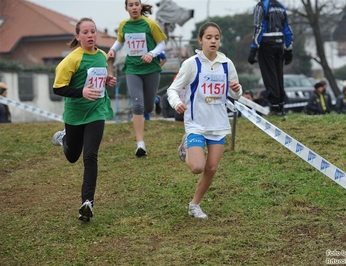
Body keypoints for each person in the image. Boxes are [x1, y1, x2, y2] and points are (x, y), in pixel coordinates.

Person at [167, 22, 242, 219]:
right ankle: (186, 146)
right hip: (196, 124)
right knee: (197, 167)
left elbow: (236, 95)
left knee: (211, 168)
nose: (213, 41)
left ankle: (195, 205)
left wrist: (236, 89)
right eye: (209, 37)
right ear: (200, 40)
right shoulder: (192, 64)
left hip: (218, 125)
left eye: (216, 37)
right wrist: (177, 103)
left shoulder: (227, 64)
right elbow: (172, 89)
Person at [51, 17, 116, 222]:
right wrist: (82, 92)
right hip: (75, 114)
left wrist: (107, 80)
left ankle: (87, 203)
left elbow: (97, 78)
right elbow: (58, 88)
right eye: (85, 32)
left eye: (93, 31)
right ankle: (64, 139)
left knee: (90, 156)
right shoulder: (71, 60)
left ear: (96, 34)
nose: (90, 35)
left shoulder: (102, 56)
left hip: (96, 111)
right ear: (78, 36)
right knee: (72, 156)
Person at [107, 0, 167, 157]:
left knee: (148, 107)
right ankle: (140, 144)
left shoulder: (150, 24)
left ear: (140, 6)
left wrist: (151, 54)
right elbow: (120, 41)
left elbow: (162, 44)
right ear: (126, 8)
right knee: (138, 106)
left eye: (136, 4)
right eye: (131, 5)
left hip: (151, 69)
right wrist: (112, 50)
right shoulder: (124, 25)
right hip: (132, 69)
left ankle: (155, 100)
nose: (134, 7)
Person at [247, 0, 293, 115]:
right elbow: (287, 29)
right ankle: (281, 106)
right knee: (278, 75)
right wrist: (289, 49)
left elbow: (258, 28)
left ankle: (274, 107)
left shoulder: (261, 6)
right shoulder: (281, 6)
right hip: (280, 42)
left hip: (267, 43)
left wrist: (253, 49)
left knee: (269, 76)